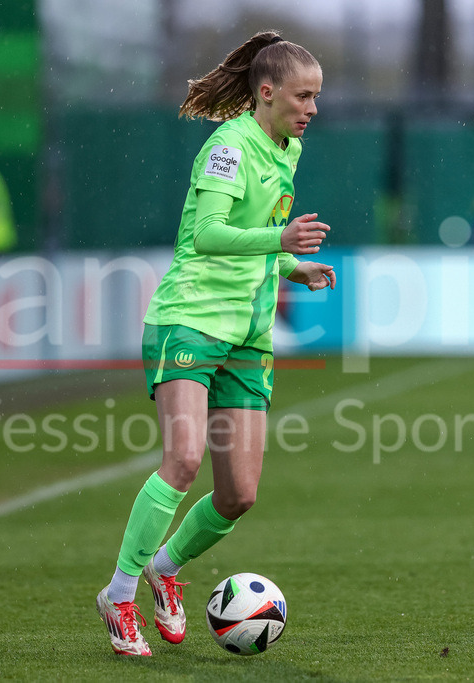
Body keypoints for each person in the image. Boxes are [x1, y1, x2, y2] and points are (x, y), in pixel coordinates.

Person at [95, 30, 336, 656]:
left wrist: (291, 269)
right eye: (303, 96)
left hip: (247, 336)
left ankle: (164, 569)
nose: (312, 109)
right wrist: (279, 245)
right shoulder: (228, 148)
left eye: (316, 98)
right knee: (182, 459)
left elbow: (254, 242)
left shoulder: (287, 149)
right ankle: (120, 593)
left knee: (239, 495)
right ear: (266, 92)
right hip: (191, 321)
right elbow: (208, 236)